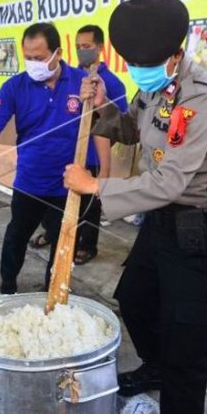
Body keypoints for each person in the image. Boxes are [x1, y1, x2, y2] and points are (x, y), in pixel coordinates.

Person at [64, 0, 207, 414]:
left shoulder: (201, 98)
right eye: (131, 62)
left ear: (176, 54)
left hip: (195, 228)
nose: (139, 69)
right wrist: (98, 102)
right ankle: (157, 366)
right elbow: (130, 128)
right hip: (159, 223)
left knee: (187, 347)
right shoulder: (157, 87)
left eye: (146, 62)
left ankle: (178, 398)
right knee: (135, 300)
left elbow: (170, 181)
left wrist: (95, 186)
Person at [0, 22, 90, 293]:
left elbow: (102, 123)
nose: (33, 63)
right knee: (16, 238)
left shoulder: (81, 84)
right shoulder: (15, 87)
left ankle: (54, 296)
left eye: (39, 57)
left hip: (68, 184)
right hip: (29, 182)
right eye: (28, 58)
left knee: (62, 245)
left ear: (57, 53)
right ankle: (7, 287)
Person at [30, 24, 128, 264]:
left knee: (89, 205)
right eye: (78, 47)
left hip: (93, 154)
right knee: (57, 199)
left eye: (87, 46)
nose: (82, 51)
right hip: (67, 152)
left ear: (100, 48)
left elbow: (123, 123)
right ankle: (56, 234)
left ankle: (87, 245)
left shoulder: (112, 83)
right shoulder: (71, 78)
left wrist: (102, 149)